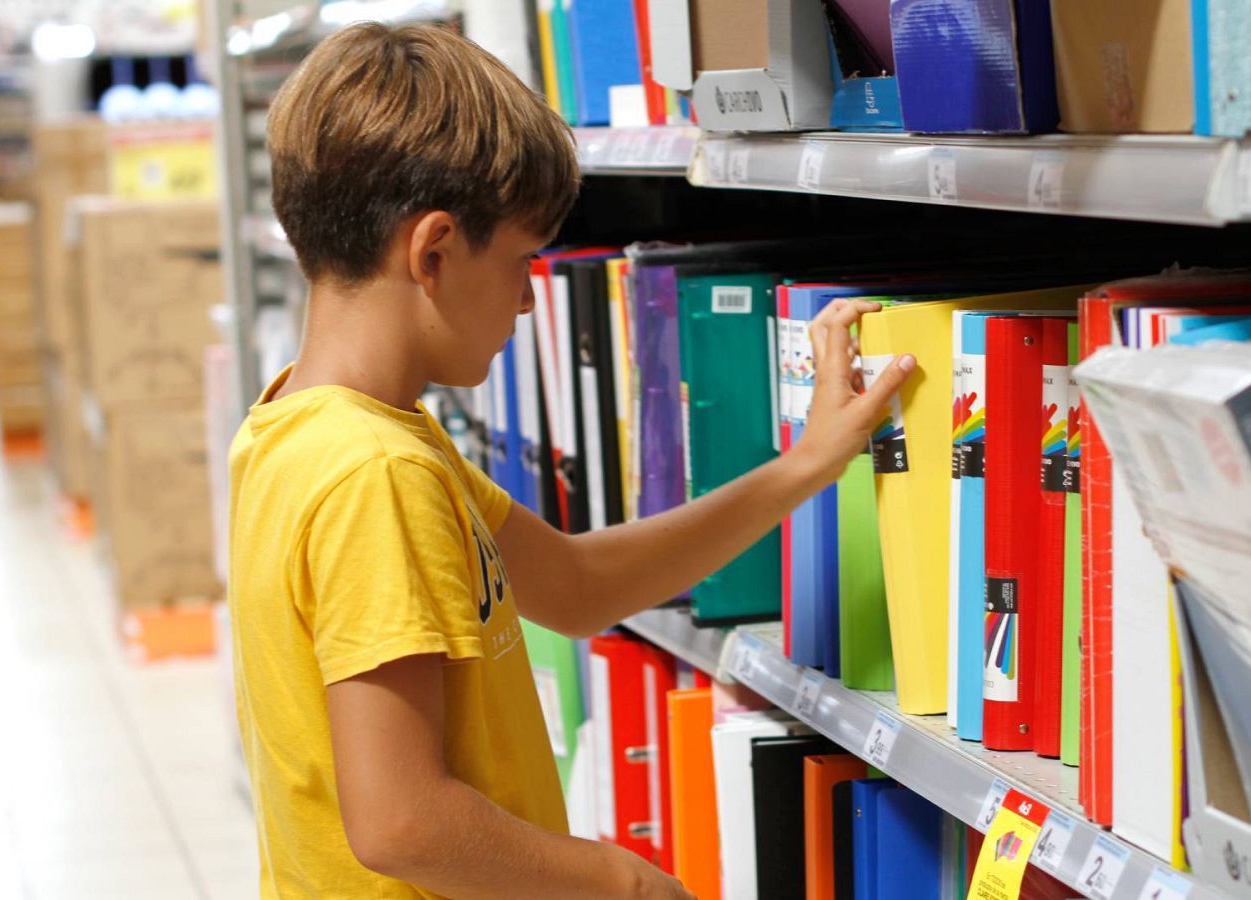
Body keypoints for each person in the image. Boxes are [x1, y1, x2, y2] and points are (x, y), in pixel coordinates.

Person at [227, 21, 915, 900]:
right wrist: (624, 883)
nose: (525, 298)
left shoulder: (313, 430)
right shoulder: (374, 474)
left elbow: (576, 585)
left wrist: (806, 464)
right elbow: (401, 821)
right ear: (433, 252)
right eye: (520, 261)